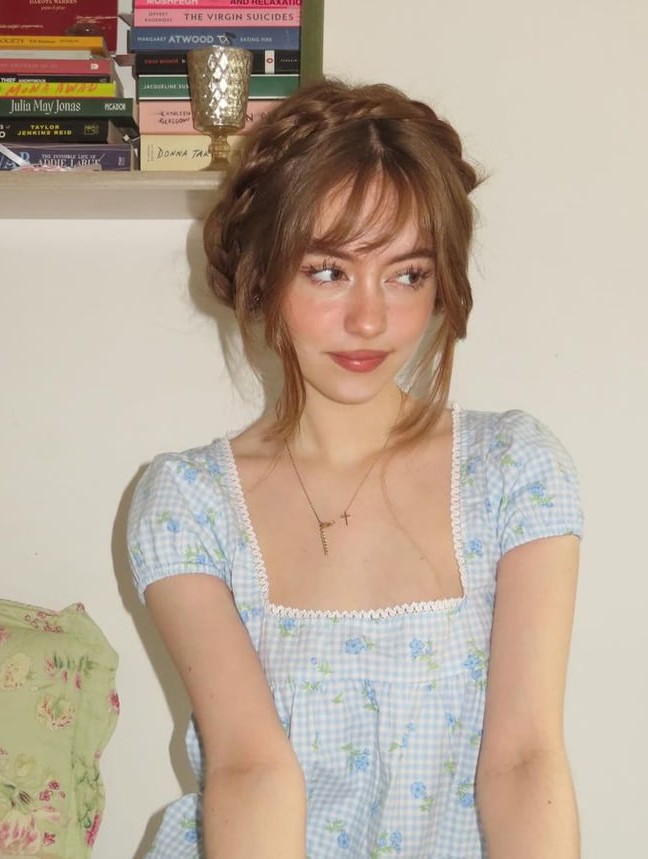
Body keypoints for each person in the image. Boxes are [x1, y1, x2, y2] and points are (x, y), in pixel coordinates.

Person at [127, 78, 583, 858]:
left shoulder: (514, 471)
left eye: (408, 274)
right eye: (329, 270)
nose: (371, 318)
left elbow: (522, 759)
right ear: (262, 274)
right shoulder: (187, 506)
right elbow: (251, 770)